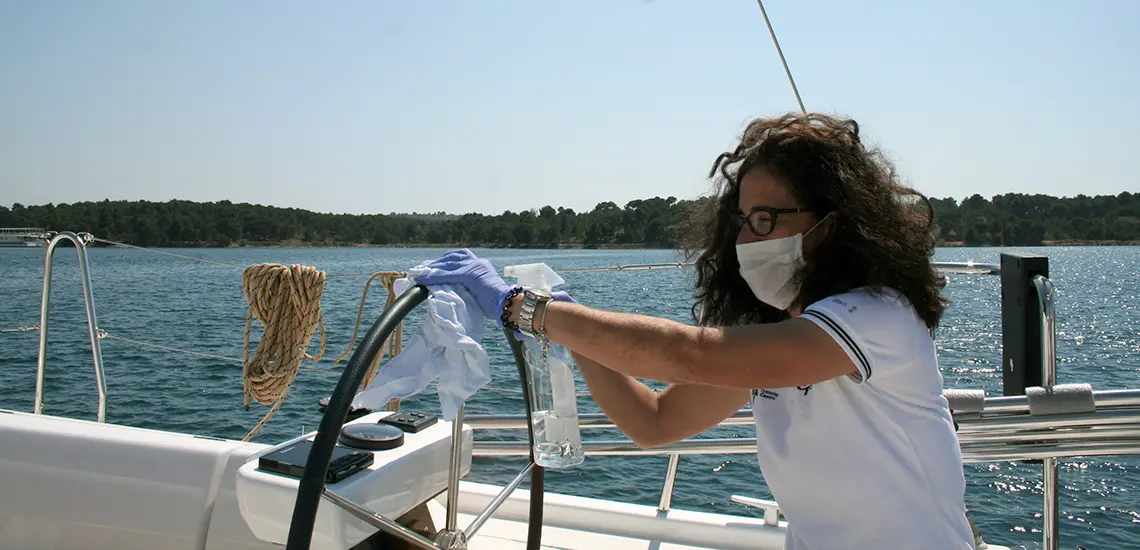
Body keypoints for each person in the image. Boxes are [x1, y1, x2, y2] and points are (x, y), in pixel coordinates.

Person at [415, 113, 975, 549]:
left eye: (766, 219)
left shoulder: (877, 318)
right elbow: (654, 422)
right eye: (744, 222)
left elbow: (687, 354)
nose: (750, 241)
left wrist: (520, 306)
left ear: (835, 222)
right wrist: (572, 332)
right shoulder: (780, 340)